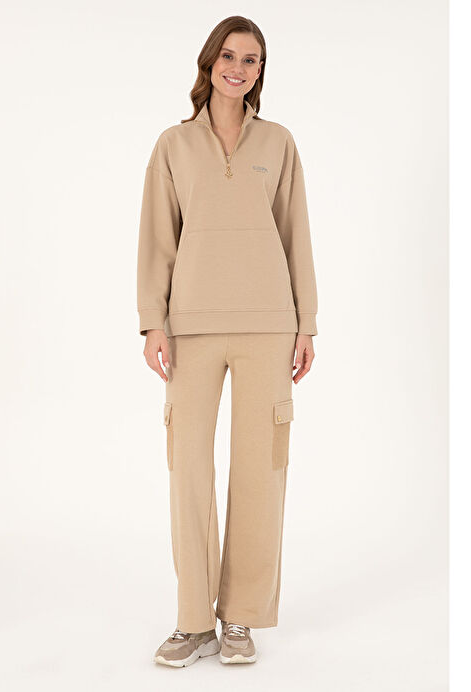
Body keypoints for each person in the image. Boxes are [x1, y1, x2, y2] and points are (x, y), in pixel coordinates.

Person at [137, 15, 318, 667]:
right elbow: (158, 237)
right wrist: (152, 321)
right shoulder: (174, 145)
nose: (239, 68)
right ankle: (193, 620)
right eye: (230, 56)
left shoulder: (278, 142)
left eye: (252, 60)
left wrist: (306, 322)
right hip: (190, 326)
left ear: (260, 71)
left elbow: (295, 233)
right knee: (187, 467)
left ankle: (240, 616)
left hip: (269, 324)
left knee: (260, 469)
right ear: (209, 61)